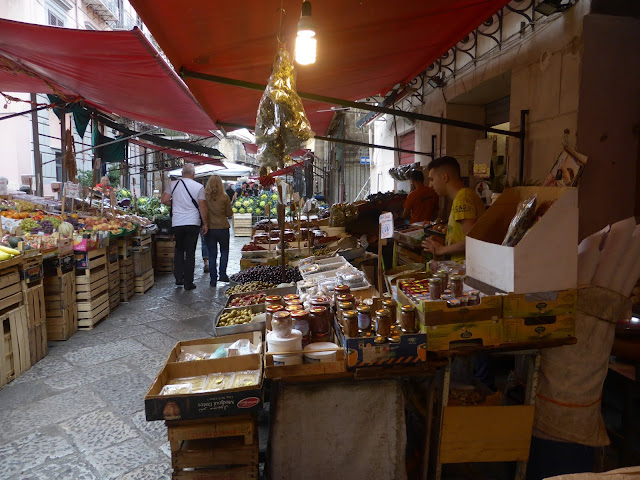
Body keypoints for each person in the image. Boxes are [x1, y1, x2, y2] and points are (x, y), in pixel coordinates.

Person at [421, 156, 485, 264]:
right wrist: (445, 242)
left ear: (444, 177)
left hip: (468, 267)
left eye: (432, 180)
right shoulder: (461, 197)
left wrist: (442, 250)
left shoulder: (462, 198)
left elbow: (473, 241)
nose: (430, 185)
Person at [161, 164, 208, 291]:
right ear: (193, 174)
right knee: (190, 252)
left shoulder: (173, 185)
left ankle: (178, 278)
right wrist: (205, 223)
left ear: (182, 173)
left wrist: (175, 203)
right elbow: (202, 206)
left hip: (177, 222)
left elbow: (164, 200)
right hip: (193, 222)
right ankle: (188, 282)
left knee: (179, 250)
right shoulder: (199, 187)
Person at [203, 175, 233, 287]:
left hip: (210, 228)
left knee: (212, 254)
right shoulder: (225, 197)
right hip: (222, 228)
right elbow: (229, 213)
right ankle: (223, 275)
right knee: (224, 251)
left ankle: (213, 279)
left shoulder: (204, 197)